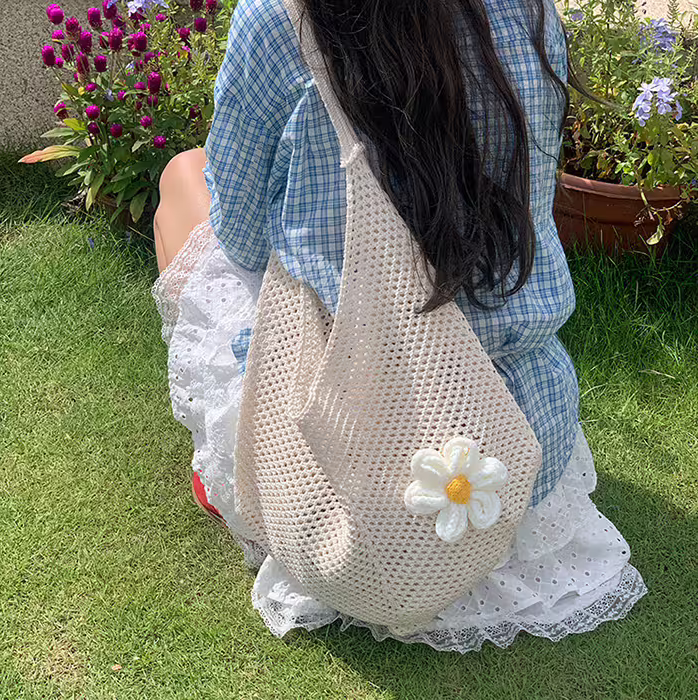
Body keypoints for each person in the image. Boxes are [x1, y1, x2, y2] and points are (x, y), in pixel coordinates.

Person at [151, 0, 647, 652]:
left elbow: (239, 237)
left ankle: (232, 464)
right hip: (515, 440)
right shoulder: (528, 10)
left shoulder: (280, 18)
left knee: (184, 176)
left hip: (347, 464)